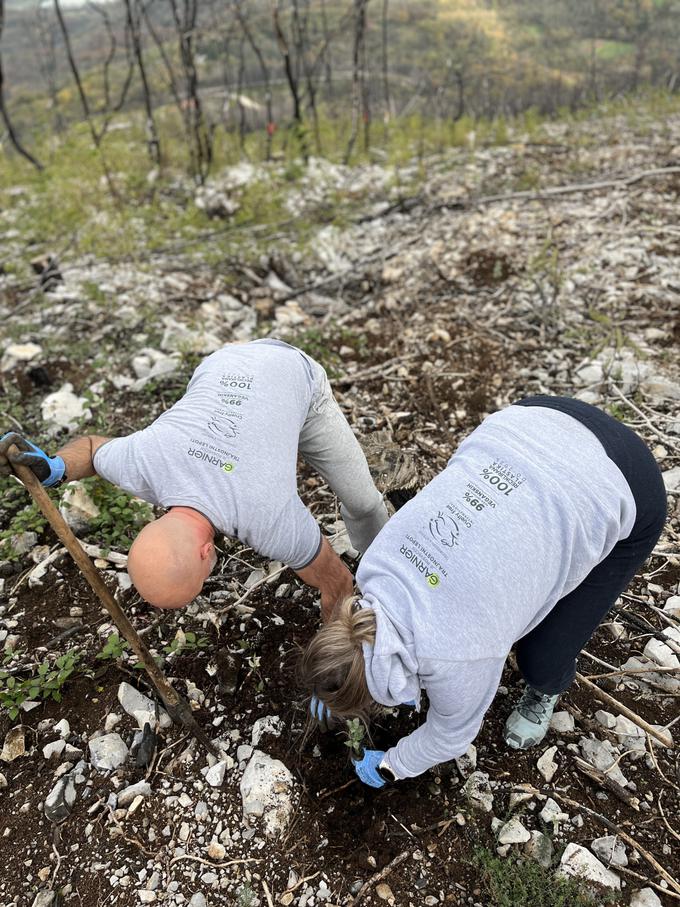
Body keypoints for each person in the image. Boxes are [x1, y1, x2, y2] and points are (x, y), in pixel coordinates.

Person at [300, 396, 666, 787]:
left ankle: (546, 690)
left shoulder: (455, 657)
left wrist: (393, 764)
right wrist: (333, 680)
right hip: (529, 419)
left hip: (622, 477)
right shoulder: (372, 568)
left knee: (543, 656)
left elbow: (451, 735)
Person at [0, 340, 389, 615]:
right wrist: (56, 468)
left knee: (364, 503)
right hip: (223, 364)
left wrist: (336, 662)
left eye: (201, 581)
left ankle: (387, 574)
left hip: (289, 370)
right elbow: (89, 448)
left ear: (207, 554)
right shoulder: (144, 462)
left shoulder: (268, 518)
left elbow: (337, 583)